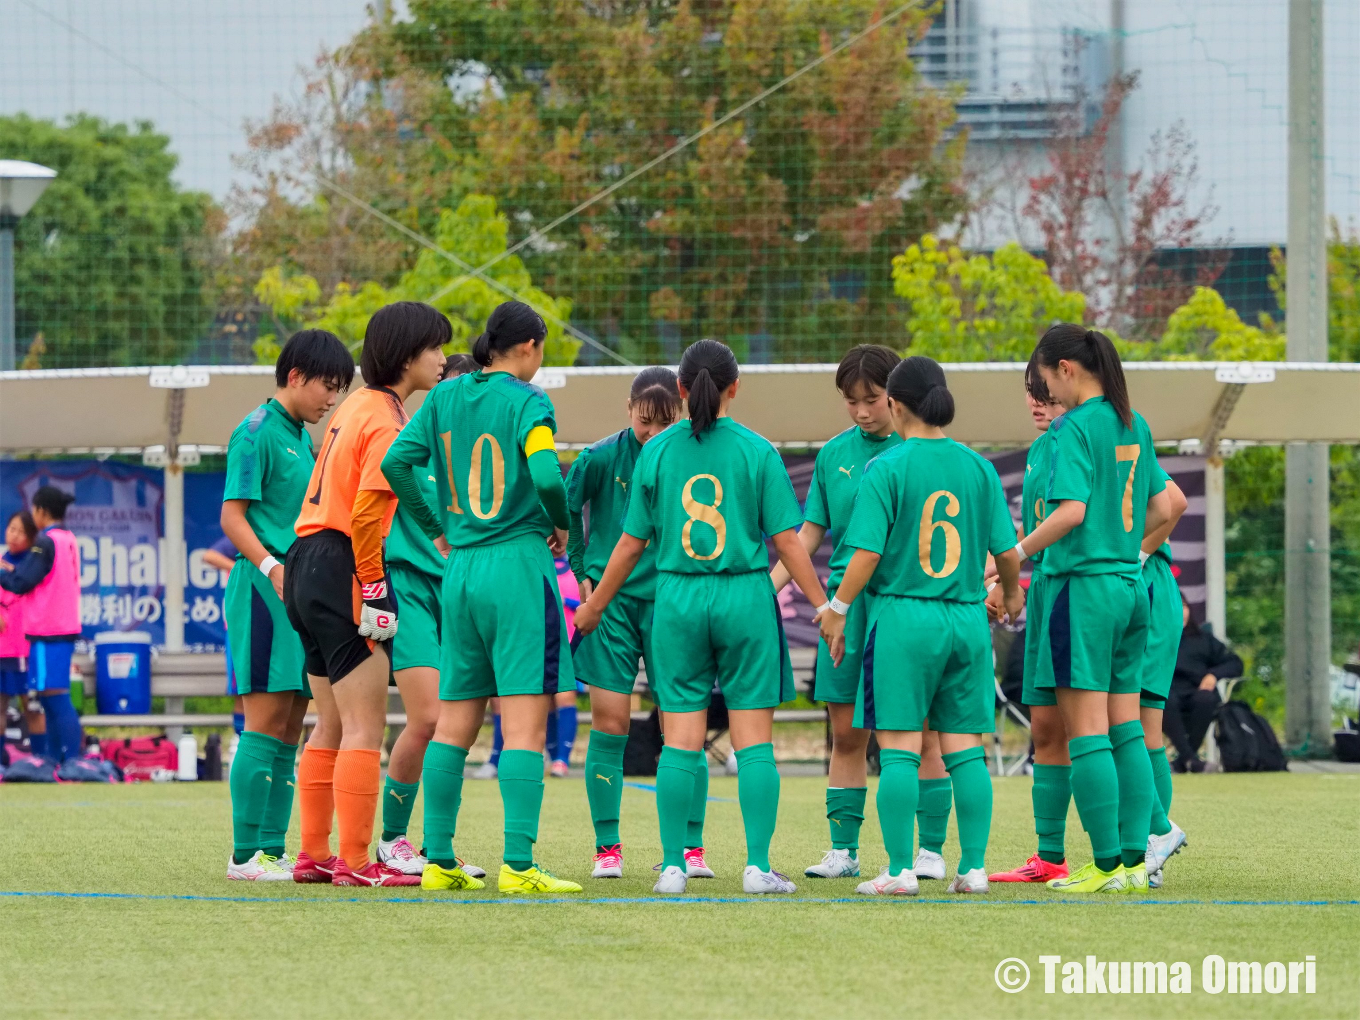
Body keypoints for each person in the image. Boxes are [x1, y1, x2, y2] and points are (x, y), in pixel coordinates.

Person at [574, 339, 831, 896]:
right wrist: (822, 606)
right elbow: (787, 542)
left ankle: (671, 867)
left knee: (681, 738)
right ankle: (758, 867)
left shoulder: (657, 452)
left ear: (682, 390)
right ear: (734, 388)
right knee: (754, 741)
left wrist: (594, 604)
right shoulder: (757, 451)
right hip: (743, 597)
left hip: (678, 599)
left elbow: (628, 546)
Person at [382, 302, 582, 895]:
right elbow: (547, 476)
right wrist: (563, 524)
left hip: (461, 570)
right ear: (528, 348)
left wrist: (437, 526)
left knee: (455, 725)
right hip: (518, 566)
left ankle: (438, 858)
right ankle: (519, 867)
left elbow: (398, 462)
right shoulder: (528, 401)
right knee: (522, 729)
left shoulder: (444, 396)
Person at [819, 356, 1024, 896]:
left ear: (895, 403)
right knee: (964, 750)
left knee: (901, 747)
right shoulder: (978, 467)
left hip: (904, 618)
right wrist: (1010, 591)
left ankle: (899, 870)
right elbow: (1006, 551)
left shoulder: (886, 468)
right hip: (965, 620)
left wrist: (838, 608)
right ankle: (973, 868)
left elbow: (864, 554)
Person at [285, 302, 447, 888]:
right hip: (342, 564)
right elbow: (368, 512)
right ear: (406, 353)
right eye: (434, 347)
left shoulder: (353, 405)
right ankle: (357, 861)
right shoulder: (384, 417)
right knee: (363, 727)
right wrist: (376, 591)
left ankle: (314, 854)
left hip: (306, 560)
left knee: (328, 724)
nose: (442, 358)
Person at [1017, 324, 1173, 895]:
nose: (1042, 390)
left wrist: (1012, 553)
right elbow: (1163, 505)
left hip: (1079, 589)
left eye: (1043, 376)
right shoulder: (1135, 423)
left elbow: (1070, 513)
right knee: (1126, 727)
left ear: (1065, 369)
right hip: (1131, 589)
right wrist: (1125, 547)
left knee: (1086, 732)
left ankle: (1105, 863)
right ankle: (1135, 862)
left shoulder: (1072, 429)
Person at [767, 344, 907, 881]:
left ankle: (928, 851)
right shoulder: (832, 456)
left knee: (920, 732)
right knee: (846, 733)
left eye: (872, 399)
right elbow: (806, 536)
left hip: (900, 601)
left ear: (897, 395)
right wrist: (766, 590)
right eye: (852, 402)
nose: (863, 412)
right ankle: (843, 851)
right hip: (846, 607)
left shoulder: (917, 451)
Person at [220, 328, 354, 881]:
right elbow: (233, 516)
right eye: (328, 386)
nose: (333, 399)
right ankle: (244, 854)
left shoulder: (301, 436)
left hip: (298, 593)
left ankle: (272, 850)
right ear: (295, 376)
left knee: (293, 723)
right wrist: (273, 568)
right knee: (265, 721)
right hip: (262, 590)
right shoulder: (254, 432)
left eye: (341, 389)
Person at [565, 366, 687, 879]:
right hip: (610, 607)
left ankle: (688, 850)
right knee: (610, 723)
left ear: (680, 414)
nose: (654, 434)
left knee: (681, 725)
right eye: (644, 423)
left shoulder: (690, 454)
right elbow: (568, 510)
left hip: (669, 603)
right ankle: (607, 848)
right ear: (628, 410)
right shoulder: (597, 458)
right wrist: (581, 572)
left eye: (664, 423)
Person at [376, 351, 485, 881]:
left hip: (462, 590)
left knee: (459, 726)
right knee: (429, 718)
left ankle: (437, 846)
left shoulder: (482, 456)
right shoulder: (413, 439)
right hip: (408, 586)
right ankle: (391, 839)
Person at [0, 487, 84, 762]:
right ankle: (55, 760)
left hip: (49, 630)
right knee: (48, 698)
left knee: (54, 696)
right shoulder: (67, 538)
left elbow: (21, 582)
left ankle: (71, 760)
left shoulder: (45, 542)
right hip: (61, 626)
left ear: (42, 512)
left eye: (34, 509)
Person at [1136, 469, 1189, 885]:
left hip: (1146, 588)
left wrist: (1139, 553)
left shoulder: (1119, 432)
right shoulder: (1067, 440)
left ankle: (1157, 836)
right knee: (1120, 723)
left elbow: (1176, 500)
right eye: (1034, 395)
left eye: (1048, 396)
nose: (1040, 402)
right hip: (1120, 588)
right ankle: (1148, 847)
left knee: (1138, 724)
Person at [1162, 593, 1242, 773]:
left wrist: (1213, 675)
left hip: (1197, 690)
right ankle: (1191, 759)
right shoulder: (1156, 639)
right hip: (1168, 691)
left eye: (1183, 606)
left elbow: (1234, 663)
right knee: (1163, 700)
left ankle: (1183, 761)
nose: (1181, 612)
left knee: (1205, 699)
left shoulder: (1203, 639)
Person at [1, 510, 43, 757]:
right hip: (1, 648)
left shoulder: (33, 565)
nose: (14, 536)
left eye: (21, 532)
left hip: (24, 648)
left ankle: (41, 761)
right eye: (11, 529)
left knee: (32, 708)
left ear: (31, 537)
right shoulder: (1, 560)